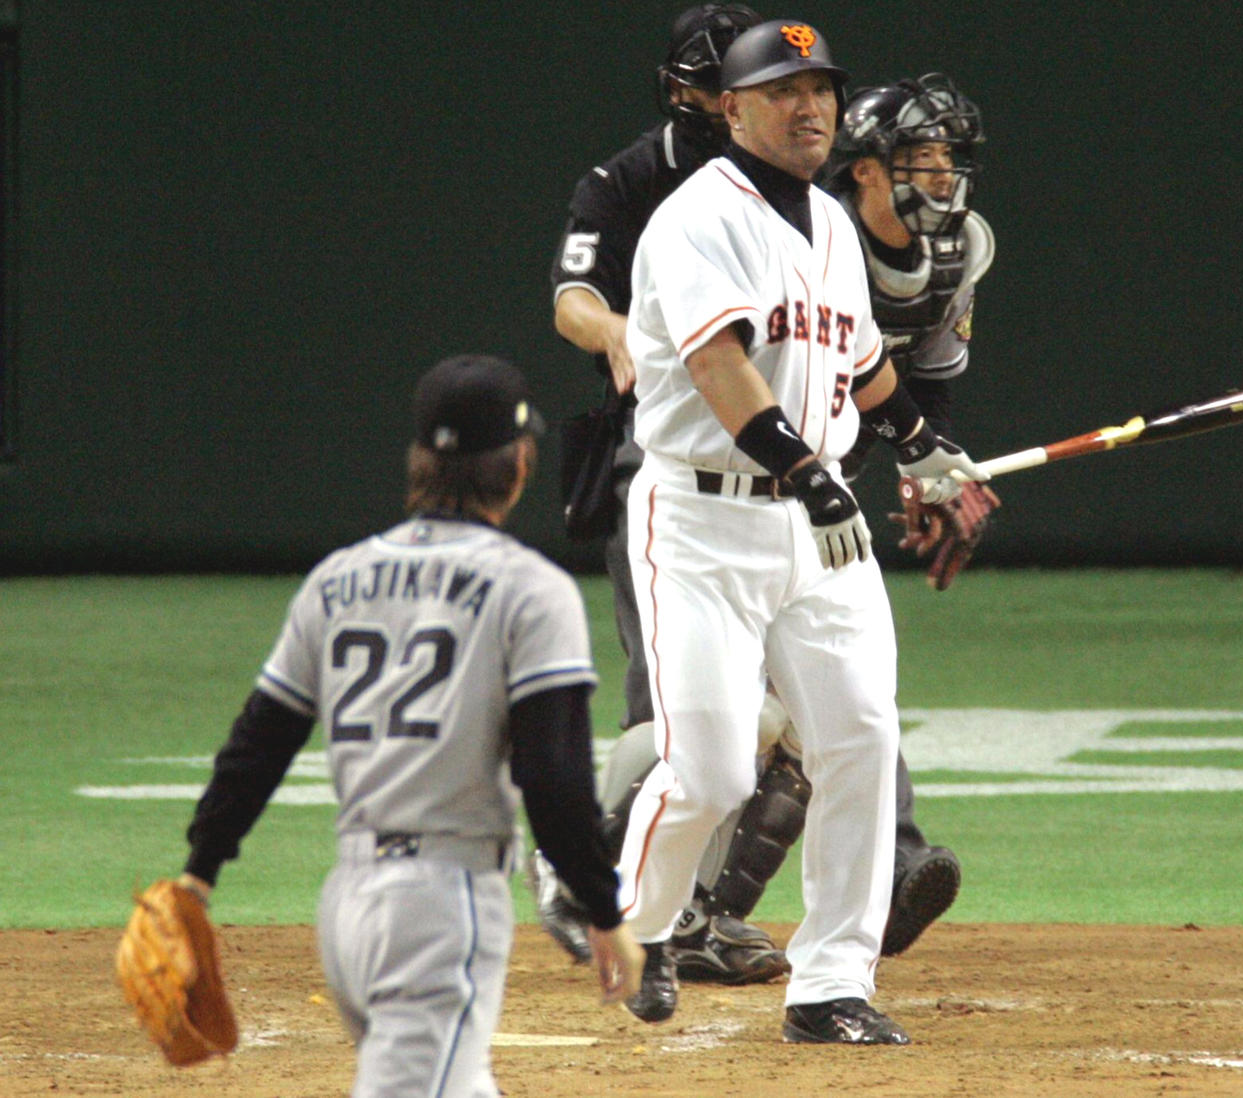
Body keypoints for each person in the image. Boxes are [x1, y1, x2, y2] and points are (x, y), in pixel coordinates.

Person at [538, 60, 997, 985]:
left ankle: (833, 982)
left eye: (821, 91)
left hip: (817, 528)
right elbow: (717, 366)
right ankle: (636, 916)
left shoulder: (827, 222)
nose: (808, 108)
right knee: (712, 766)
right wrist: (806, 470)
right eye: (784, 92)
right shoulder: (696, 215)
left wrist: (919, 445)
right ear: (734, 109)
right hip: (707, 513)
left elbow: (862, 360)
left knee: (860, 738)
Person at [170, 354, 643, 1097]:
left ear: (420, 461)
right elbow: (553, 775)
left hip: (348, 914)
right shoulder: (530, 589)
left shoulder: (338, 577)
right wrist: (603, 907)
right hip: (440, 909)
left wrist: (200, 870)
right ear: (519, 466)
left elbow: (260, 740)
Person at [544, 3, 789, 985]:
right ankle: (594, 890)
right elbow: (570, 297)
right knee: (680, 708)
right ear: (683, 88)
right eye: (707, 82)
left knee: (782, 719)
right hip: (662, 467)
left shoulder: (788, 183)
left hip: (775, 472)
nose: (718, 99)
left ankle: (704, 912)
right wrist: (611, 334)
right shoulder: (628, 181)